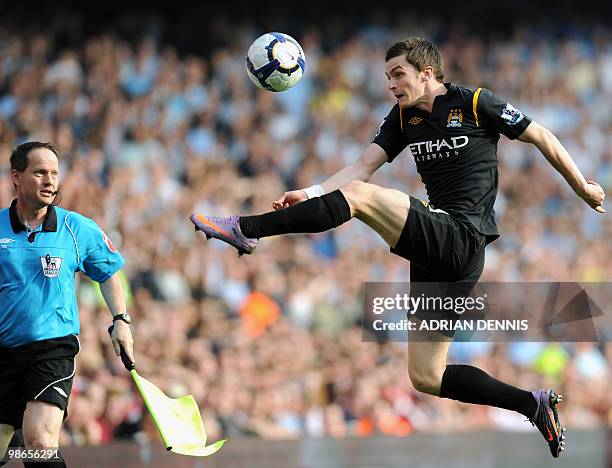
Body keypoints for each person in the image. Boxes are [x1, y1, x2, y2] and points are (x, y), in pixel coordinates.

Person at [190, 37, 605, 458]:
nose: (391, 83)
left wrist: (582, 187)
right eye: (388, 76)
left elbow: (541, 136)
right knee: (427, 376)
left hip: (463, 236)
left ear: (427, 72)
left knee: (359, 197)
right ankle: (531, 404)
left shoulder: (475, 102)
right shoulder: (403, 118)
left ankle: (246, 228)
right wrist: (312, 190)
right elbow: (362, 166)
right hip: (443, 257)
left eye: (398, 74)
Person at [0, 142, 135, 467]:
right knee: (22, 449)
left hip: (52, 349)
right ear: (17, 177)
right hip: (4, 353)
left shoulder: (76, 228)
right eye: (40, 172)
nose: (50, 181)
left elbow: (108, 273)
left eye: (54, 173)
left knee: (40, 441)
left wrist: (121, 319)